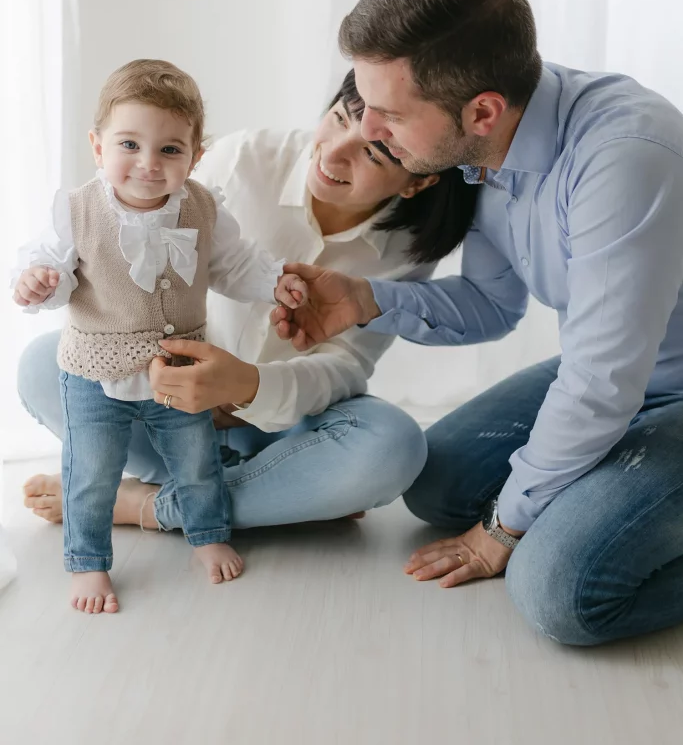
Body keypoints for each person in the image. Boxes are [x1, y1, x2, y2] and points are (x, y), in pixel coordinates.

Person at [273, 0, 683, 647]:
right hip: (623, 375)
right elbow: (495, 304)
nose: (366, 132)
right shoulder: (487, 146)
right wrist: (367, 300)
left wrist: (504, 529)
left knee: (558, 592)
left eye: (386, 114)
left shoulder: (623, 158)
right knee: (437, 485)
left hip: (634, 378)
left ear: (482, 111)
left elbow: (600, 380)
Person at [19, 68, 479, 586]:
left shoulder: (411, 245)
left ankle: (146, 504)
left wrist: (247, 386)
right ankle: (274, 497)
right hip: (169, 396)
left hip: (291, 423)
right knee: (42, 365)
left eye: (373, 154)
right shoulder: (241, 160)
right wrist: (43, 282)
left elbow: (347, 364)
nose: (332, 155)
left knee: (393, 447)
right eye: (337, 119)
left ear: (419, 177)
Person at [13, 59, 311, 614]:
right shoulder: (76, 210)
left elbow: (234, 264)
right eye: (129, 144)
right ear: (98, 147)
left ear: (195, 157)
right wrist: (40, 283)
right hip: (94, 372)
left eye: (170, 149)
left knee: (197, 460)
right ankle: (88, 561)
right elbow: (49, 267)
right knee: (91, 471)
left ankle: (207, 534)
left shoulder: (203, 206)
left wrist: (274, 282)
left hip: (177, 370)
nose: (148, 163)